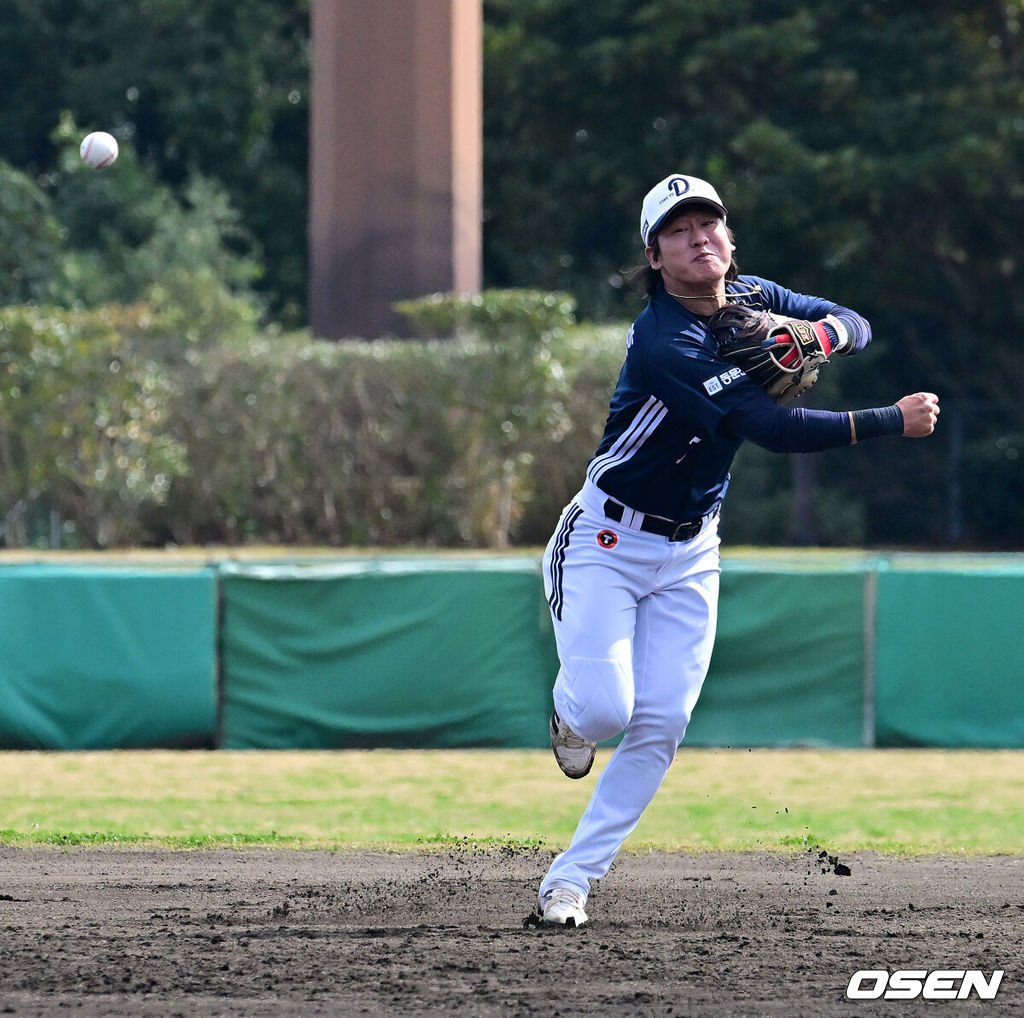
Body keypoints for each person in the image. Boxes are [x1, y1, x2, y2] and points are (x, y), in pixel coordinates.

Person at [536, 173, 939, 927]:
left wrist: (820, 334)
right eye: (679, 230)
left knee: (660, 725)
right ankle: (567, 714)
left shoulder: (752, 294)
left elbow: (853, 320)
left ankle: (572, 881)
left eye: (709, 224)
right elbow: (774, 429)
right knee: (603, 711)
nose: (699, 238)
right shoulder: (666, 340)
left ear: (728, 238)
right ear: (654, 256)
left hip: (691, 553)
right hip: (606, 539)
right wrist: (889, 418)